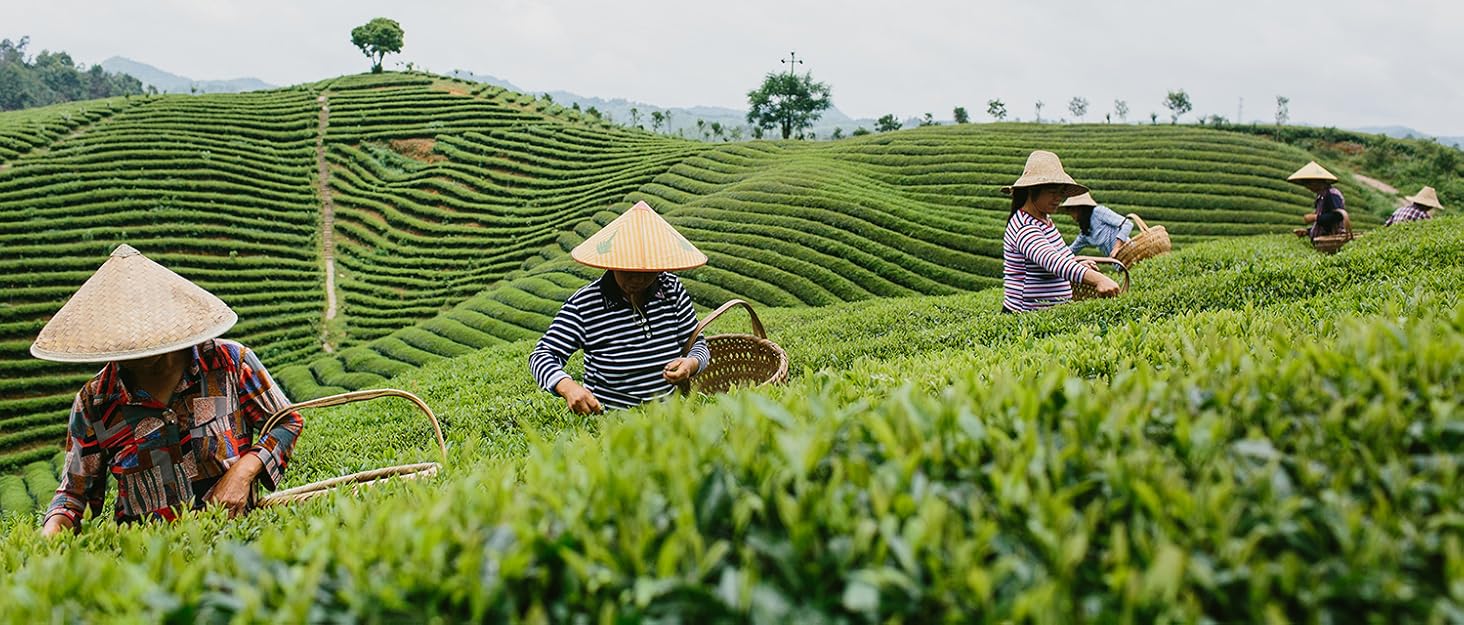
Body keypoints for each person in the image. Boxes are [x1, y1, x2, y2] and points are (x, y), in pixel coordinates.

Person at [34, 245, 304, 536]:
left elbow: (286, 422)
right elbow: (74, 494)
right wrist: (48, 539)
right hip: (150, 560)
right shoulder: (96, 401)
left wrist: (243, 472)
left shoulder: (228, 363)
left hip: (237, 541)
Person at [529, 201, 711, 413]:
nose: (638, 279)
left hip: (668, 421)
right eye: (628, 270)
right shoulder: (585, 304)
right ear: (613, 263)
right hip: (612, 423)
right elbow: (543, 355)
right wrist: (567, 386)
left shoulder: (671, 289)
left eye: (647, 271)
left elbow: (698, 344)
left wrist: (692, 364)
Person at [1001, 151, 1123, 313]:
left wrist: (1076, 263)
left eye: (1061, 192)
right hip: (1024, 315)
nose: (1059, 198)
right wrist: (1099, 279)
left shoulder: (1044, 219)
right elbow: (1052, 261)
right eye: (1053, 192)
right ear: (1032, 190)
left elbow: (1059, 254)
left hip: (1048, 314)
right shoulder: (1024, 227)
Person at [1287, 161, 1350, 238]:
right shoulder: (1321, 196)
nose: (1307, 186)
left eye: (1308, 183)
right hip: (1322, 242)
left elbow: (1338, 216)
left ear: (1317, 181)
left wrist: (1314, 217)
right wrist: (1308, 231)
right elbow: (1325, 223)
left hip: (1332, 240)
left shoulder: (1332, 194)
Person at [1059, 192, 1133, 257]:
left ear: (1080, 209)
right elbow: (1071, 250)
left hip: (1131, 253)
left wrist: (1117, 247)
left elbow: (1127, 224)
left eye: (1072, 210)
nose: (1071, 215)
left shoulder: (1098, 212)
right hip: (1119, 262)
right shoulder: (1086, 232)